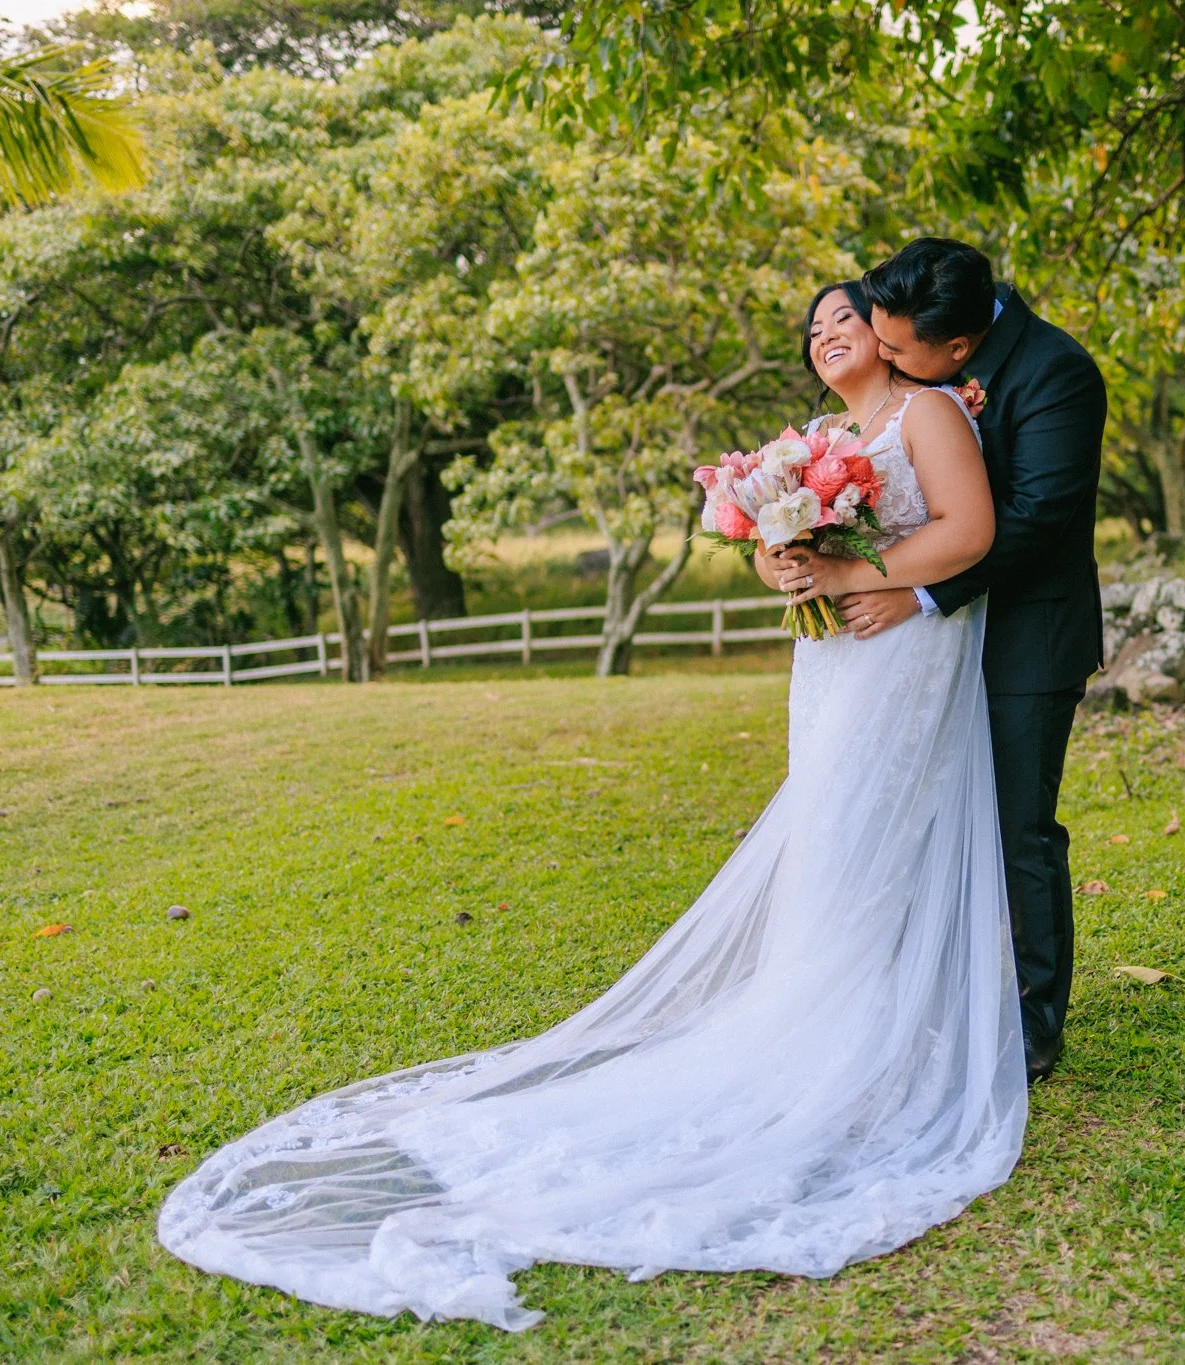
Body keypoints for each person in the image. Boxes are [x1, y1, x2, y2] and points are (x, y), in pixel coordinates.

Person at [156, 279, 1026, 1333]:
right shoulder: (814, 436)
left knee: (879, 832)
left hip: (900, 650)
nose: (827, 335)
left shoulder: (927, 411)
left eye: (844, 318)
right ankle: (820, 1013)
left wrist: (857, 568)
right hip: (833, 662)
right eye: (812, 328)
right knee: (830, 843)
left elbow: (970, 533)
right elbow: (772, 556)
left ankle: (877, 1036)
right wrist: (786, 561)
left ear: (885, 334)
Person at [773, 238, 1107, 1085]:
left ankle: (1032, 1024)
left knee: (1016, 827)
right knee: (899, 815)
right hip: (905, 643)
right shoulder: (916, 356)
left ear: (957, 351)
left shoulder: (1056, 373)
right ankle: (912, 995)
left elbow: (1030, 518)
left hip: (1022, 633)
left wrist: (916, 595)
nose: (880, 352)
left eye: (895, 347)